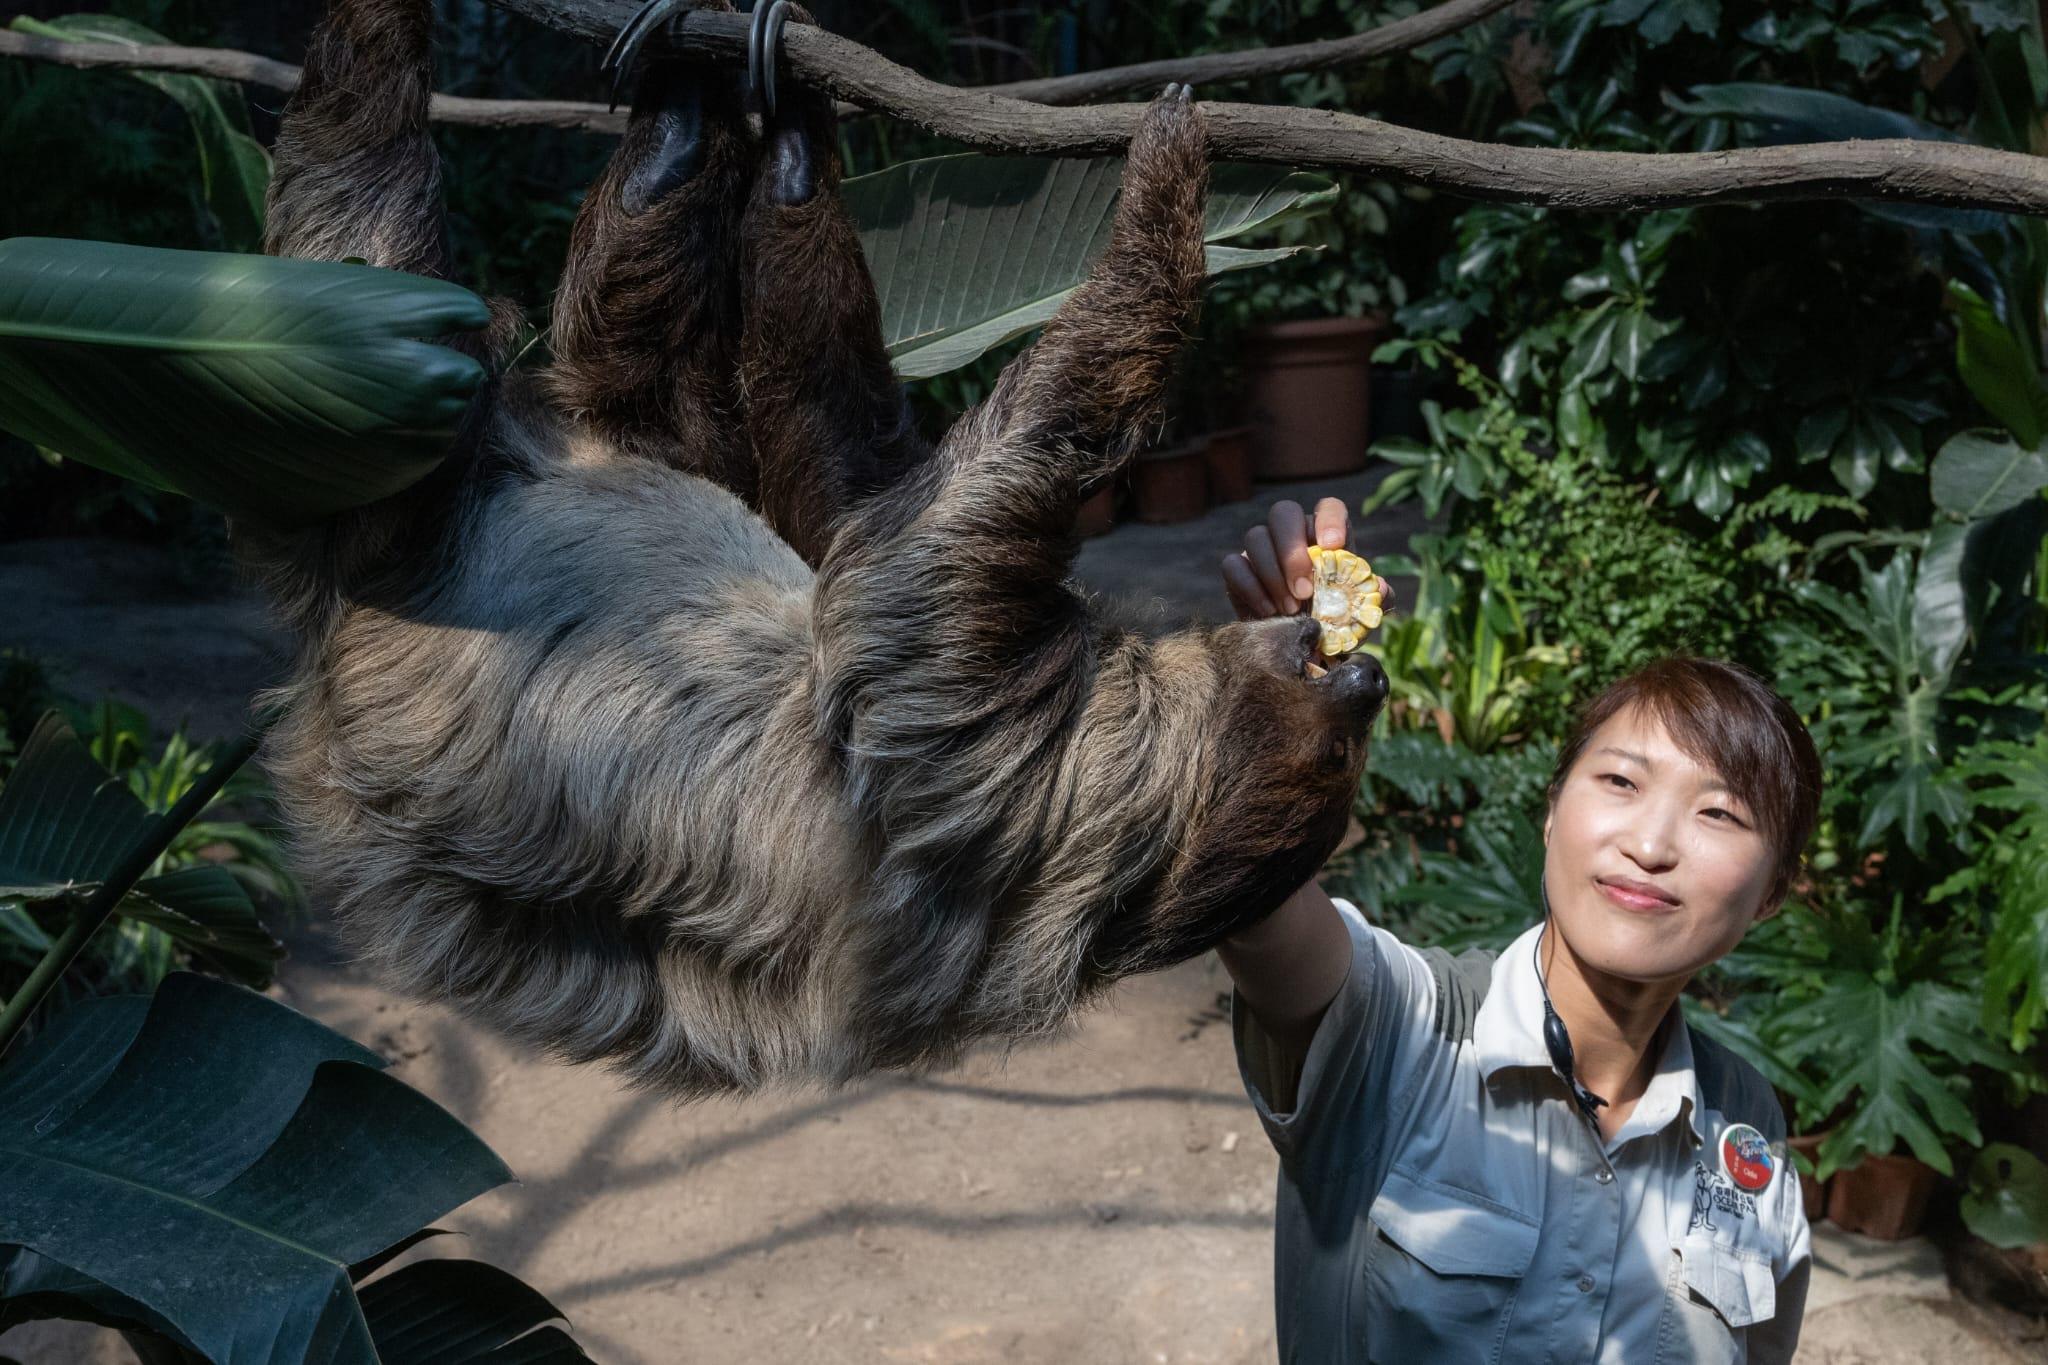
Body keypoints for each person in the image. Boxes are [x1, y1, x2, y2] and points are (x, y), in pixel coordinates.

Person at [1214, 496, 1818, 1364]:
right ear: (1550, 814)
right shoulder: (1399, 1028)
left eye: (1719, 814)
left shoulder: (1745, 1127)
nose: (1649, 844)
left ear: (1770, 895)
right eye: (1618, 781)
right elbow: (1257, 902)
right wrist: (1264, 699)